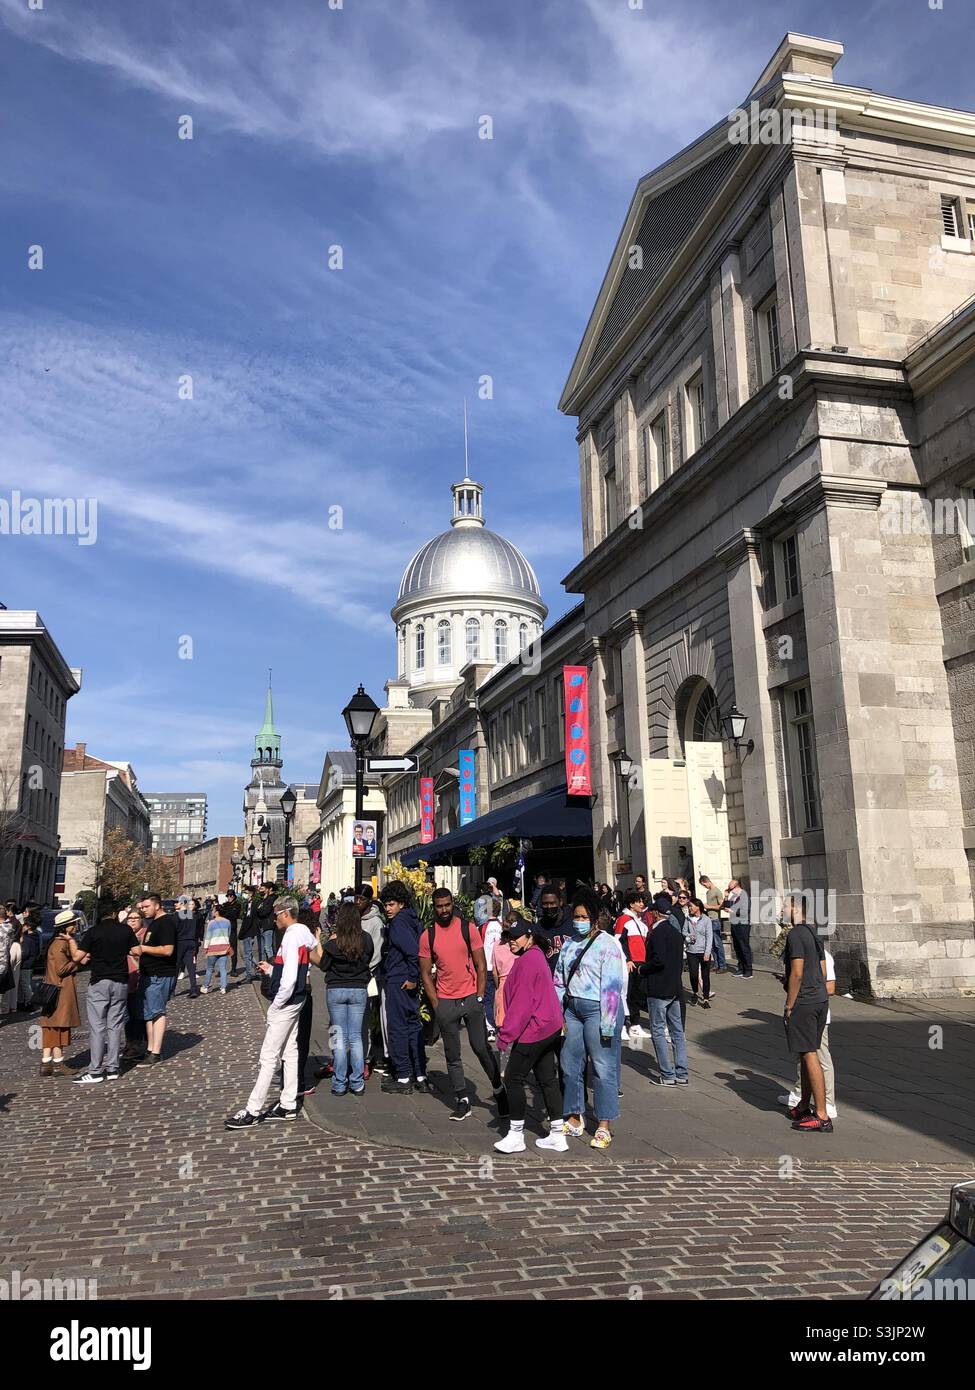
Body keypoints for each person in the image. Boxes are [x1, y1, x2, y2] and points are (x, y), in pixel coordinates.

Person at [225, 896, 322, 1128]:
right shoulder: (303, 933)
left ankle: (253, 1109)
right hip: (298, 998)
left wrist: (276, 1005)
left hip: (287, 1001)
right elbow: (307, 957)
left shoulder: (290, 936)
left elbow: (288, 978)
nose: (274, 918)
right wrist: (272, 970)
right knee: (290, 1051)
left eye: (276, 914)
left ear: (286, 913)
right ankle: (288, 1103)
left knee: (268, 1056)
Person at [418, 887, 507, 1123]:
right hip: (446, 1001)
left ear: (452, 904)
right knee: (452, 1053)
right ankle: (462, 1099)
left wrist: (479, 995)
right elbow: (425, 973)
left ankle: (498, 1088)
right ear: (434, 906)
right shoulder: (429, 935)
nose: (444, 910)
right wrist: (436, 1003)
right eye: (439, 906)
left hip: (470, 998)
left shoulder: (467, 928)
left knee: (480, 1047)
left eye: (447, 905)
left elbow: (481, 964)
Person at [554, 894, 627, 1150]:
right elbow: (559, 980)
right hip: (573, 1009)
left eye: (585, 917)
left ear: (595, 919)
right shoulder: (568, 944)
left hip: (599, 1009)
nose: (580, 921)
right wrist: (559, 1013)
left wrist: (607, 1024)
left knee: (602, 1067)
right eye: (577, 917)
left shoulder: (607, 944)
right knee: (569, 1063)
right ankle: (574, 1116)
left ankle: (604, 1124)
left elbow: (612, 986)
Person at [494, 918, 567, 1154]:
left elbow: (522, 1005)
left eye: (516, 937)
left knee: (513, 1078)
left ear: (529, 936)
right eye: (509, 937)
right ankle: (557, 1133)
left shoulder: (528, 961)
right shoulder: (536, 956)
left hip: (535, 1029)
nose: (511, 941)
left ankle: (516, 1134)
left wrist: (505, 1037)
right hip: (549, 1027)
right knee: (547, 1078)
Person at [777, 898, 838, 1121]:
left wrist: (790, 1004)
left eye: (784, 906)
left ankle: (821, 1114)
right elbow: (822, 972)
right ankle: (804, 1105)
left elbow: (798, 972)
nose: (781, 910)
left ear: (795, 909)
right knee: (806, 1054)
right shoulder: (814, 934)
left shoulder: (794, 935)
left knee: (810, 1055)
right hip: (820, 999)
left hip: (804, 1000)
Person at [73, 908, 140, 1084]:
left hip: (99, 981)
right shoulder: (125, 930)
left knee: (97, 1027)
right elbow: (137, 951)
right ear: (115, 915)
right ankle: (112, 1068)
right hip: (120, 982)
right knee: (115, 1025)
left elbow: (77, 957)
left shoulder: (93, 932)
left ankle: (95, 1070)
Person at [377, 881, 428, 1095]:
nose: (387, 909)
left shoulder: (398, 924)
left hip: (399, 980)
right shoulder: (412, 919)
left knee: (397, 1028)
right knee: (413, 1027)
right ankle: (420, 1075)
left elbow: (413, 952)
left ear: (401, 904)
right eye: (386, 905)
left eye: (391, 904)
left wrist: (412, 976)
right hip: (407, 981)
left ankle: (404, 1076)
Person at [321, 902, 374, 1096]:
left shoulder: (334, 943)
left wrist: (323, 942)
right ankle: (357, 1082)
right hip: (358, 989)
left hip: (336, 989)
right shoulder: (366, 939)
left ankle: (339, 1082)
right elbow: (369, 959)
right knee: (356, 1037)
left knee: (338, 1037)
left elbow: (324, 965)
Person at [641, 893, 689, 1086]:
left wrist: (643, 968)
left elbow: (658, 960)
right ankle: (682, 1072)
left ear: (655, 914)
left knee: (659, 1030)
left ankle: (667, 1074)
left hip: (659, 988)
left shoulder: (658, 933)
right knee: (677, 1031)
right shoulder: (676, 932)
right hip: (675, 988)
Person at [39, 909, 89, 1076]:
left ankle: (47, 1062)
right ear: (66, 927)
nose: (75, 926)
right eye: (73, 924)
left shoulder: (57, 942)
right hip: (59, 991)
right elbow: (61, 969)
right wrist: (77, 962)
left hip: (54, 990)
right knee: (57, 1027)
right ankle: (57, 1062)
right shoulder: (60, 944)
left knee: (51, 1027)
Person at [135, 893, 179, 1066]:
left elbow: (168, 950)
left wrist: (143, 948)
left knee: (157, 1011)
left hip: (159, 974)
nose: (143, 910)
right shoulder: (153, 923)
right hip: (148, 974)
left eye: (146, 907)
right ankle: (150, 1048)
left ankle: (156, 1052)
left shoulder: (166, 923)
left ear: (157, 905)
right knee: (148, 1013)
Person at [355, 884, 384, 1075]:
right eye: (356, 898)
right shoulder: (353, 917)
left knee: (365, 1018)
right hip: (352, 974)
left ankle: (366, 1057)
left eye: (362, 899)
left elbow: (376, 952)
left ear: (370, 900)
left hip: (367, 975)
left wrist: (364, 969)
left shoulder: (375, 922)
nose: (358, 902)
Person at [614, 889, 650, 1037]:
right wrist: (627, 959)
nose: (641, 904)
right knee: (627, 994)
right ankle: (623, 1026)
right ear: (631, 904)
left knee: (635, 994)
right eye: (638, 901)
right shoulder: (624, 919)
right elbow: (618, 942)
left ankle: (634, 1026)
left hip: (640, 961)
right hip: (631, 963)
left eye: (642, 901)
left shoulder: (638, 921)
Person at [474, 894, 504, 1041]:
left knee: (488, 999)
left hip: (487, 968)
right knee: (502, 998)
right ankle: (501, 1024)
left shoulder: (482, 928)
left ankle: (490, 1028)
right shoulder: (502, 926)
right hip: (501, 967)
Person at [122, 908, 149, 1060]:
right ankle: (130, 1043)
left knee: (138, 1013)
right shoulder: (125, 933)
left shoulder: (145, 934)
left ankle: (138, 1044)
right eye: (130, 918)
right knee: (126, 1014)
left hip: (140, 977)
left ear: (141, 919)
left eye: (135, 918)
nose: (132, 920)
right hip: (126, 978)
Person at [682, 896, 714, 1009]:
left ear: (698, 907)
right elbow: (684, 931)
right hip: (691, 951)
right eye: (689, 906)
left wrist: (707, 952)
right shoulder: (688, 919)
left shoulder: (706, 920)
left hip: (703, 951)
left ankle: (705, 998)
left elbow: (709, 937)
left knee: (705, 976)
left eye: (691, 906)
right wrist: (689, 936)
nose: (689, 908)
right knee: (693, 974)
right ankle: (695, 992)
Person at [533, 885, 572, 973]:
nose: (549, 907)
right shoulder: (538, 928)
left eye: (552, 903)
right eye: (545, 904)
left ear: (560, 902)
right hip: (551, 981)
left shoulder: (573, 922)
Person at [491, 911, 518, 1029]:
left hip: (502, 984)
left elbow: (494, 971)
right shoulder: (518, 944)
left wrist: (498, 987)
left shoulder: (497, 944)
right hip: (518, 983)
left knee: (503, 1022)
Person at [201, 904, 232, 994]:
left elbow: (208, 936)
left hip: (213, 949)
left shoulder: (211, 923)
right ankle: (223, 987)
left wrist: (205, 947)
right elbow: (228, 934)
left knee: (210, 968)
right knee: (223, 968)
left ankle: (205, 986)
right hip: (224, 948)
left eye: (213, 910)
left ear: (217, 912)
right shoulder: (227, 922)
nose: (212, 912)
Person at [699, 875, 728, 971]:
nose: (704, 887)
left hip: (715, 920)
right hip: (709, 919)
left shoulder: (716, 891)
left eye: (703, 885)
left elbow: (721, 906)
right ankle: (716, 964)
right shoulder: (708, 892)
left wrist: (708, 907)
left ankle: (722, 965)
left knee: (717, 943)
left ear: (706, 881)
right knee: (711, 944)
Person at [725, 879, 753, 979]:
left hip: (743, 924)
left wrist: (732, 911)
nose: (729, 889)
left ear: (736, 886)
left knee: (744, 946)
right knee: (737, 947)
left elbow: (746, 911)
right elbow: (726, 906)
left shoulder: (744, 895)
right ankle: (741, 968)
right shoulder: (734, 897)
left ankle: (748, 970)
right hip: (735, 924)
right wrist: (726, 896)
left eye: (730, 887)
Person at [175, 896, 201, 997]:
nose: (175, 904)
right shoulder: (193, 915)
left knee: (176, 967)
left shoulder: (177, 916)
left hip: (180, 942)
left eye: (177, 903)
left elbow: (175, 930)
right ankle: (194, 989)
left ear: (182, 904)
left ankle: (171, 991)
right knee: (191, 967)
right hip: (191, 941)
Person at [18, 912, 40, 1008]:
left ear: (28, 927)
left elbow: (25, 953)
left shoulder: (27, 939)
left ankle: (29, 1002)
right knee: (26, 983)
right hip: (30, 964)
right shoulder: (36, 936)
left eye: (24, 925)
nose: (22, 927)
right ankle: (24, 1001)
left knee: (25, 984)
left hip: (26, 965)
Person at [238, 888, 260, 982]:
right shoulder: (248, 904)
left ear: (251, 894)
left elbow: (249, 919)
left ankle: (249, 975)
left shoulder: (253, 903)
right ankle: (259, 970)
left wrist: (242, 932)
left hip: (250, 931)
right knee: (249, 954)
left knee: (247, 955)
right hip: (248, 931)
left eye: (246, 893)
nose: (245, 895)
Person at [254, 882, 276, 962]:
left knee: (268, 947)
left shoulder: (272, 898)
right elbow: (257, 909)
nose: (264, 890)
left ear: (270, 889)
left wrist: (260, 910)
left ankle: (272, 965)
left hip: (268, 924)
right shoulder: (264, 898)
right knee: (263, 948)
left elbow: (265, 911)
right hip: (262, 925)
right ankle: (264, 967)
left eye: (265, 888)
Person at [223, 889, 240, 974]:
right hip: (224, 930)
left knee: (233, 949)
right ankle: (222, 969)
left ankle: (233, 969)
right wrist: (227, 913)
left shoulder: (237, 905)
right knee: (223, 950)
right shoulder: (225, 905)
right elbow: (222, 914)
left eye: (231, 896)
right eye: (228, 896)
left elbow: (234, 915)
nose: (229, 897)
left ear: (234, 896)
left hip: (232, 930)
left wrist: (227, 914)